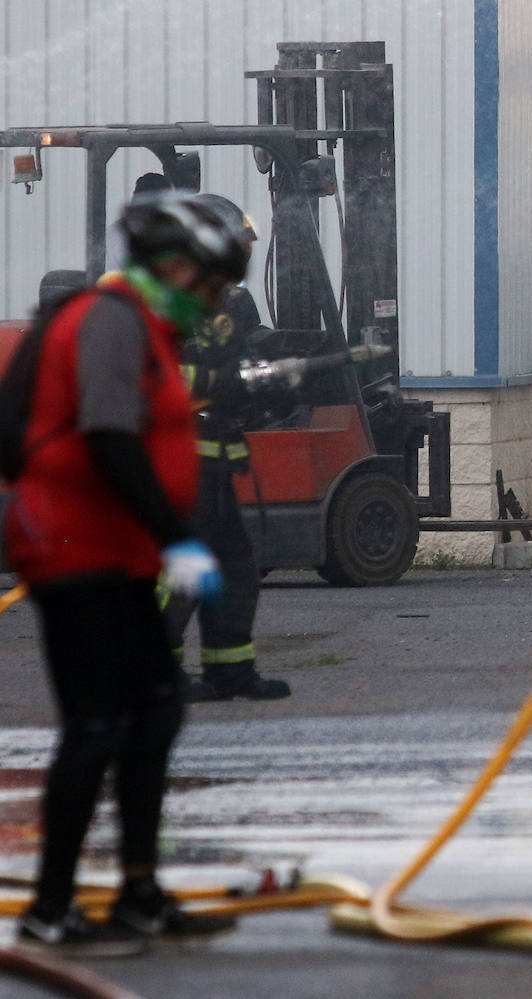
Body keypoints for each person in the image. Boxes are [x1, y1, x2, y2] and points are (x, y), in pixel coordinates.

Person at [6, 191, 247, 956]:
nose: (213, 302)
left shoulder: (144, 323)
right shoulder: (110, 318)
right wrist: (177, 533)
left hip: (117, 549)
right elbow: (108, 432)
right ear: (176, 267)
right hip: (76, 548)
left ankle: (139, 890)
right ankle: (50, 908)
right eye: (211, 285)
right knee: (99, 721)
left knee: (156, 708)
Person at [163, 194, 291, 701]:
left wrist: (271, 382)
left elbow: (240, 366)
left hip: (212, 464)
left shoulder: (223, 302)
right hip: (172, 465)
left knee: (233, 569)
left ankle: (229, 669)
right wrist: (226, 380)